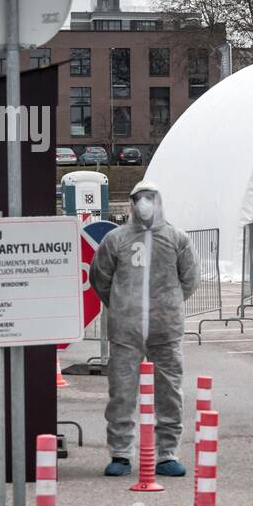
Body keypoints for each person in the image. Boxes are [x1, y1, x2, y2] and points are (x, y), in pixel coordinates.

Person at [89, 180, 199, 477]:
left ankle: (166, 453)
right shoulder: (116, 239)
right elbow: (99, 277)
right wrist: (123, 305)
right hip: (127, 331)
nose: (144, 203)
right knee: (122, 393)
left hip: (165, 330)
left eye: (150, 198)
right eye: (139, 198)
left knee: (170, 392)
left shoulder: (177, 239)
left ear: (159, 201)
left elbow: (189, 279)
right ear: (132, 201)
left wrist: (167, 305)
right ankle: (121, 453)